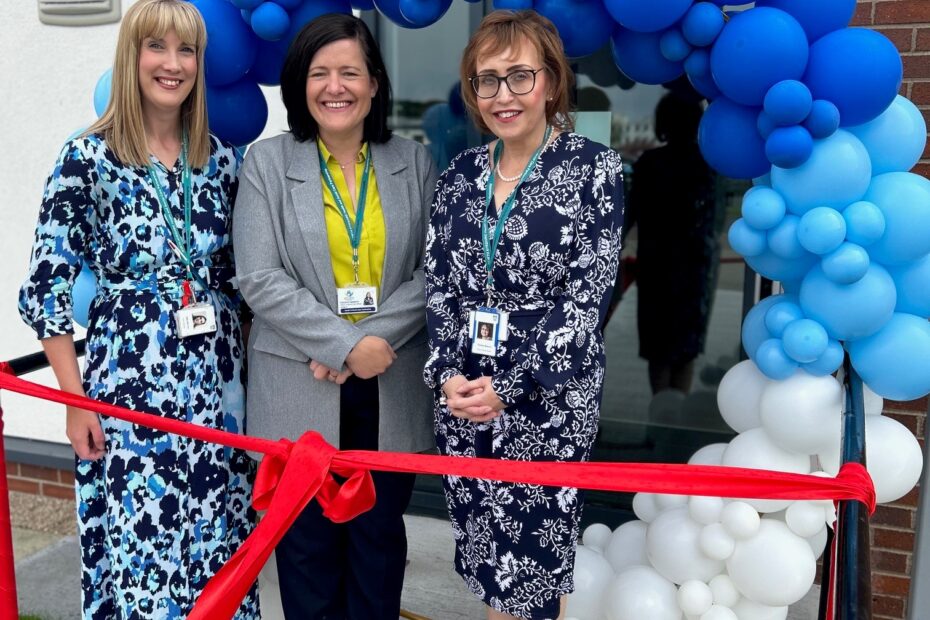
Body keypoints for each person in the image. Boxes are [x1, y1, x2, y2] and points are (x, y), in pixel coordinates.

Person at [17, 1, 257, 618]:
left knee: (220, 554)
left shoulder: (221, 160)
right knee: (140, 557)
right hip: (128, 398)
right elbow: (47, 287)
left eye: (187, 51)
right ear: (131, 56)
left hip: (215, 396)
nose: (173, 65)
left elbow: (246, 281)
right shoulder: (87, 159)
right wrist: (75, 406)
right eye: (158, 47)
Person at [233, 13, 436, 620]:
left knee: (377, 551)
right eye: (319, 73)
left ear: (374, 83)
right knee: (306, 554)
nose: (335, 86)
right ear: (299, 85)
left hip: (388, 380)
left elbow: (436, 272)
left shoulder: (414, 162)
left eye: (350, 71)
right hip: (300, 383)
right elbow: (258, 276)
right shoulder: (266, 164)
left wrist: (369, 342)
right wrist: (344, 346)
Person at [424, 10, 624, 620]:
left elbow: (585, 302)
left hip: (546, 399)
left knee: (530, 569)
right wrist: (447, 376)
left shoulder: (596, 170)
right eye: (487, 80)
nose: (503, 95)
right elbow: (439, 288)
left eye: (519, 77)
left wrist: (507, 389)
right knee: (488, 560)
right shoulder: (460, 176)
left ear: (552, 83)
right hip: (465, 399)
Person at [625, 92, 720, 394]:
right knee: (685, 349)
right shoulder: (707, 165)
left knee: (659, 349)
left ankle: (659, 421)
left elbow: (630, 215)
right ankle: (675, 420)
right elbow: (714, 222)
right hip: (695, 268)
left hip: (657, 267)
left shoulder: (649, 164)